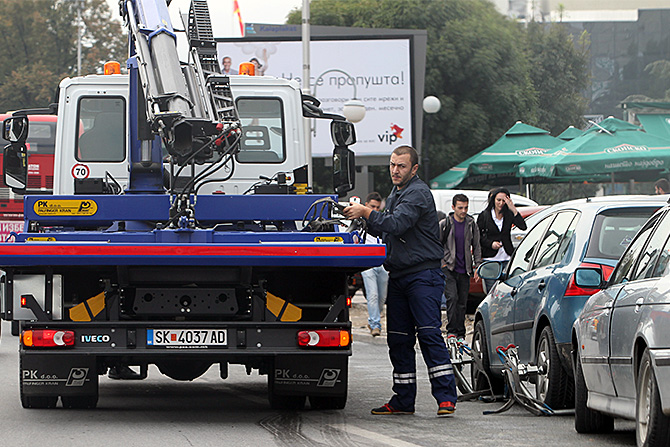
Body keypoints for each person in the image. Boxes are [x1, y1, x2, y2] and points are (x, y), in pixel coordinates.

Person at [344, 145, 458, 417]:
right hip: (401, 275)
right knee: (398, 340)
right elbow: (387, 226)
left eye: (401, 166)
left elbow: (397, 224)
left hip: (423, 276)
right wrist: (360, 216)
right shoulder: (397, 193)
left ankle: (445, 398)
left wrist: (366, 213)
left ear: (414, 169)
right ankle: (403, 400)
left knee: (429, 334)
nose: (395, 170)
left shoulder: (417, 192)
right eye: (393, 165)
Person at [439, 194, 481, 340]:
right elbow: (437, 244)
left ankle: (460, 332)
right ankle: (452, 330)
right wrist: (443, 262)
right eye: (460, 208)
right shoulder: (445, 224)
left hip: (465, 269)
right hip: (449, 267)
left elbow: (476, 245)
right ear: (453, 207)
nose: (463, 211)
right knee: (452, 298)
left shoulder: (471, 224)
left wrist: (477, 266)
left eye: (466, 207)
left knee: (463, 302)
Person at [476, 187, 527, 292]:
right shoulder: (485, 216)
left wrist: (513, 209)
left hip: (507, 257)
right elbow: (478, 237)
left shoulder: (508, 214)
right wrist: (491, 244)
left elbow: (523, 226)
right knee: (492, 292)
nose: (501, 203)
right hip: (491, 259)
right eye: (498, 200)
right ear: (493, 200)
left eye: (504, 200)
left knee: (507, 290)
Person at [360, 192, 388, 337]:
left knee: (382, 296)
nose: (375, 210)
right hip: (368, 262)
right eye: (372, 207)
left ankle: (375, 317)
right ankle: (375, 323)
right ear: (366, 206)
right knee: (373, 294)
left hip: (382, 261)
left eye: (377, 207)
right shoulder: (361, 221)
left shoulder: (382, 221)